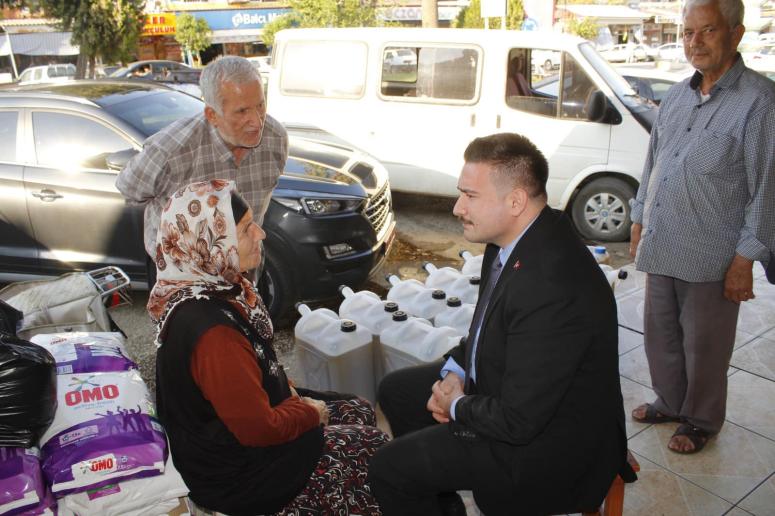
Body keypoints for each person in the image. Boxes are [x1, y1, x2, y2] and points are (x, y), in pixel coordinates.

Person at [368, 133, 634, 516]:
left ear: (515, 201)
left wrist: (457, 404)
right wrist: (455, 372)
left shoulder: (553, 284)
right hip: (516, 397)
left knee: (389, 470)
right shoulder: (513, 236)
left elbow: (519, 421)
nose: (458, 207)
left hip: (549, 446)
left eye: (471, 196)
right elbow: (486, 328)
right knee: (397, 390)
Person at [150, 179, 388, 515]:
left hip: (243, 436)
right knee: (369, 446)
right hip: (239, 474)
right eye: (246, 229)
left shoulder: (215, 287)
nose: (260, 234)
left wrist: (292, 395)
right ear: (212, 244)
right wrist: (309, 411)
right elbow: (259, 429)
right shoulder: (212, 331)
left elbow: (257, 372)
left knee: (358, 408)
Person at [629, 0, 775, 454]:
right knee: (661, 335)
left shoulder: (760, 102)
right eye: (689, 33)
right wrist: (638, 218)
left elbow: (767, 189)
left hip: (713, 256)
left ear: (735, 33)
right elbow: (653, 163)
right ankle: (670, 401)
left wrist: (744, 259)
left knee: (705, 347)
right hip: (664, 243)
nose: (695, 43)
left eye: (707, 31)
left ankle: (701, 419)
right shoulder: (677, 96)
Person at [116, 55, 287, 268]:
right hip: (182, 276)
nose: (257, 121)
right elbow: (129, 190)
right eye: (242, 111)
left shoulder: (275, 138)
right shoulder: (171, 150)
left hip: (246, 270)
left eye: (260, 105)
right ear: (212, 115)